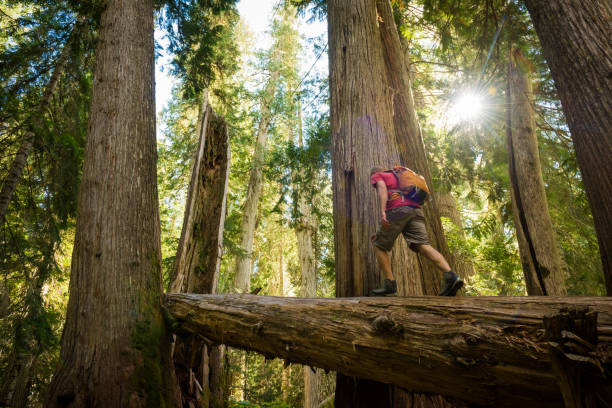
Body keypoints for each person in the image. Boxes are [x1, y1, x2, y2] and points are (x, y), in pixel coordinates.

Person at [369, 166, 463, 296]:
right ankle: (451, 276)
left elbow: (382, 188)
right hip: (416, 211)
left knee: (378, 244)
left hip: (397, 209)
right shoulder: (401, 174)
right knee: (423, 245)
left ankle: (390, 284)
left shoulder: (378, 175)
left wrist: (383, 211)